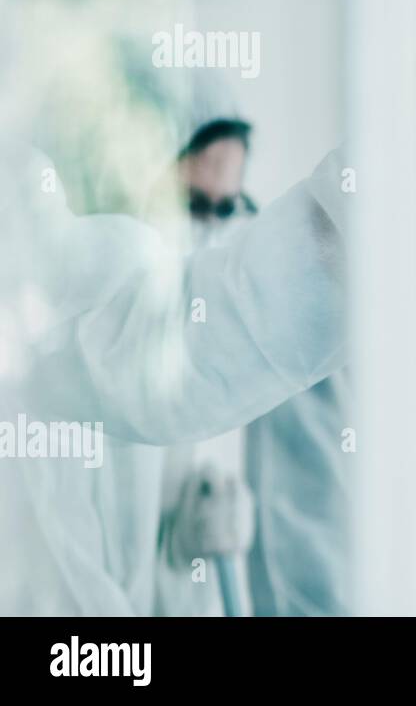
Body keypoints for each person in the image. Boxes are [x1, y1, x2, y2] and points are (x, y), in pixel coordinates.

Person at [0, 61, 348, 613]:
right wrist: (345, 218)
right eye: (191, 204)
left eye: (224, 209)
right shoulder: (83, 286)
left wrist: (181, 547)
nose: (206, 232)